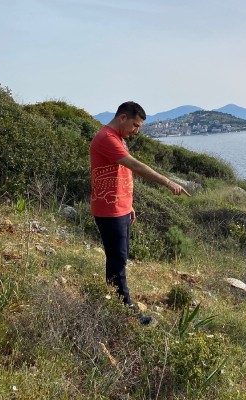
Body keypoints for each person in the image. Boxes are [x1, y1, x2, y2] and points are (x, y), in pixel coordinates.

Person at [90, 101, 190, 325]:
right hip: (109, 210)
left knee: (119, 258)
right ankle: (125, 312)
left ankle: (114, 302)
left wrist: (128, 204)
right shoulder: (107, 137)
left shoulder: (119, 138)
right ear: (123, 117)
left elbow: (120, 174)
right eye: (135, 125)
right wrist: (167, 182)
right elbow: (135, 166)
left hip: (120, 208)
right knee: (117, 261)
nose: (137, 131)